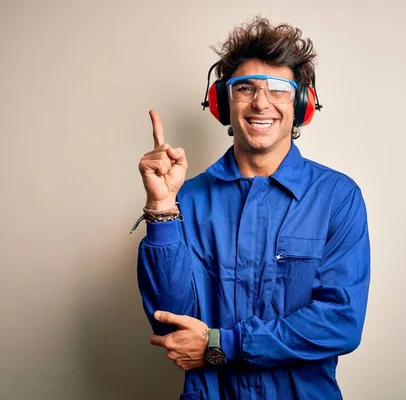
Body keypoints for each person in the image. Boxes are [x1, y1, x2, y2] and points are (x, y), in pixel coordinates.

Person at [134, 16, 370, 400]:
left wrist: (222, 344)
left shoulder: (337, 197)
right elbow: (170, 328)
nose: (261, 102)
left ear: (301, 105)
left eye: (279, 89)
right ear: (222, 103)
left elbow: (341, 322)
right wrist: (161, 206)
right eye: (245, 88)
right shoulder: (187, 199)